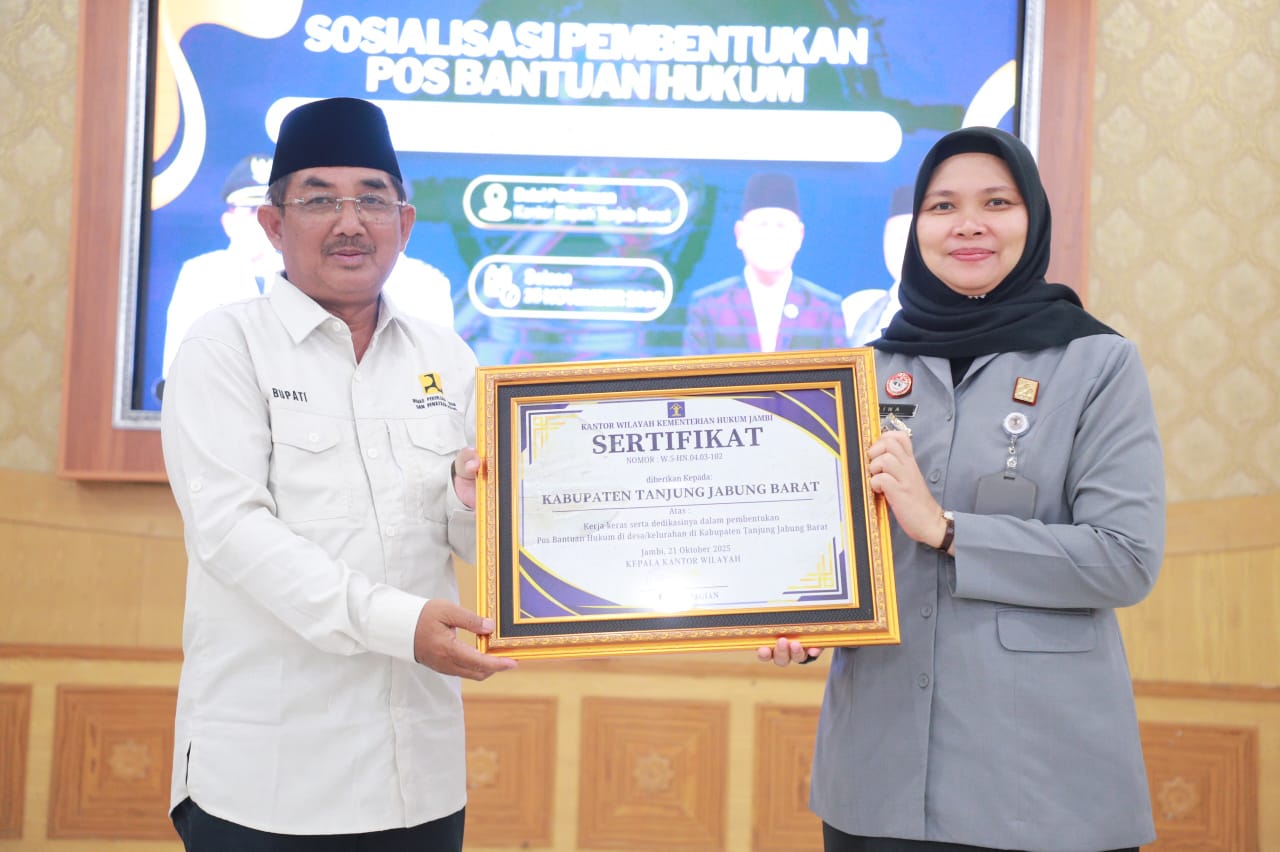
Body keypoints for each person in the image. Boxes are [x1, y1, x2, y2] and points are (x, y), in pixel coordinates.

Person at [760, 126, 1165, 851]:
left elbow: (1124, 560)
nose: (968, 224)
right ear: (916, 228)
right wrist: (808, 619)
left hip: (1040, 783)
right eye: (942, 206)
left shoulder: (1096, 363)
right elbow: (832, 553)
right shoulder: (861, 372)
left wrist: (947, 529)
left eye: (996, 203)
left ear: (1032, 218)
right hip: (876, 780)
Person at [160, 97, 517, 851]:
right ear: (272, 224)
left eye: (372, 200)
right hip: (267, 780)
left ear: (404, 223)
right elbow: (232, 534)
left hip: (417, 776)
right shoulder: (223, 347)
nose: (349, 223)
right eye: (319, 200)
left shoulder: (447, 356)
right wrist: (401, 626)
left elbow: (468, 537)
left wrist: (467, 502)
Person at [682, 173, 847, 355]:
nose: (771, 236)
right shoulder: (709, 305)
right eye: (761, 225)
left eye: (781, 226)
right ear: (740, 234)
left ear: (799, 236)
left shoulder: (825, 307)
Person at [160, 153, 282, 382]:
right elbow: (177, 370)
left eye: (267, 210)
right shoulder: (200, 275)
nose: (261, 221)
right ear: (229, 222)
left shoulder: (300, 276)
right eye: (251, 210)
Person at [842, 185, 912, 345]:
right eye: (896, 237)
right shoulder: (857, 306)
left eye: (911, 239)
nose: (903, 249)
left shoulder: (955, 312)